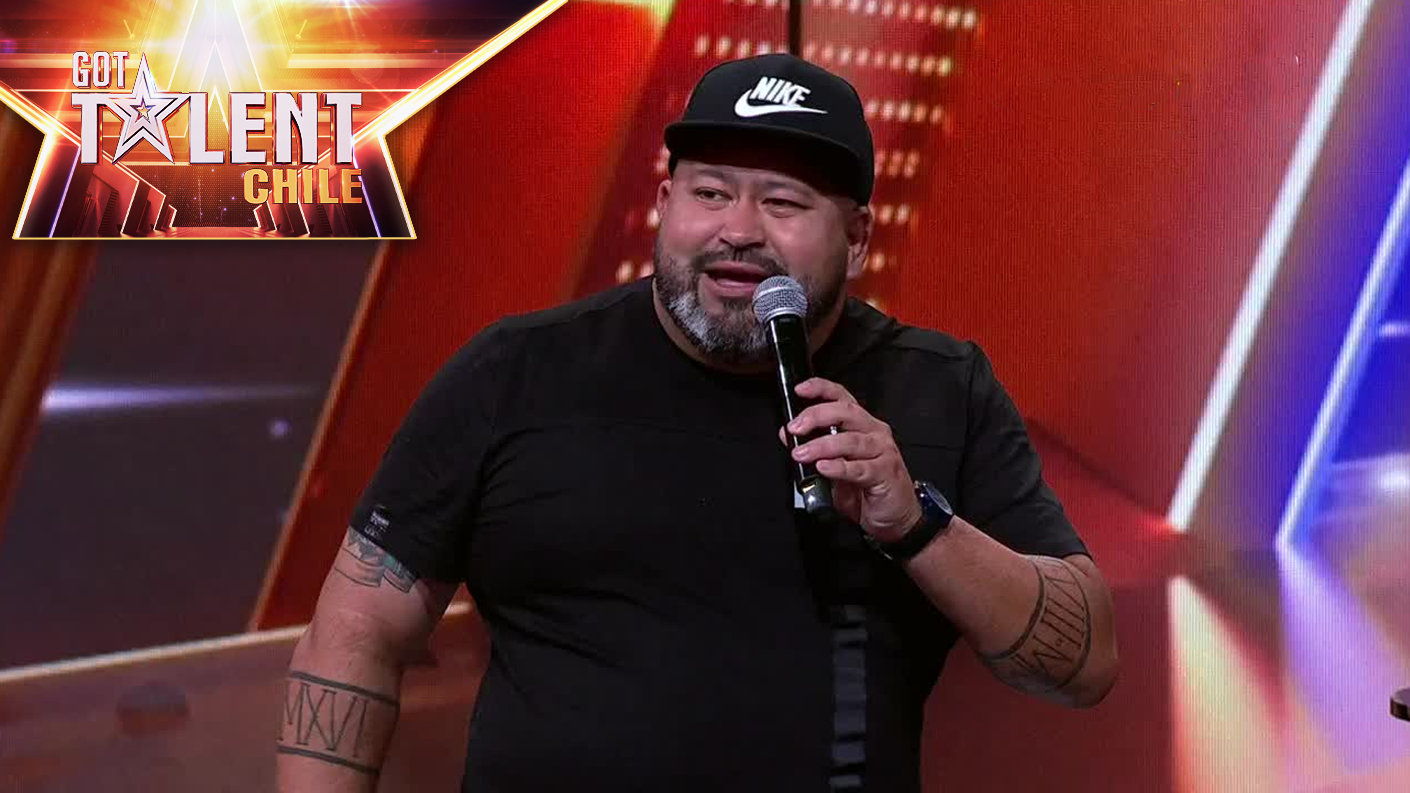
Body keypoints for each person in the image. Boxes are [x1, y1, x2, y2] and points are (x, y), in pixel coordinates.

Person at [275, 52, 1119, 792]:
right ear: (664, 201)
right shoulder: (516, 372)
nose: (738, 231)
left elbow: (1083, 664)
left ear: (858, 236)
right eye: (710, 193)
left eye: (783, 203)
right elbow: (355, 633)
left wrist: (916, 525)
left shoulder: (939, 389)